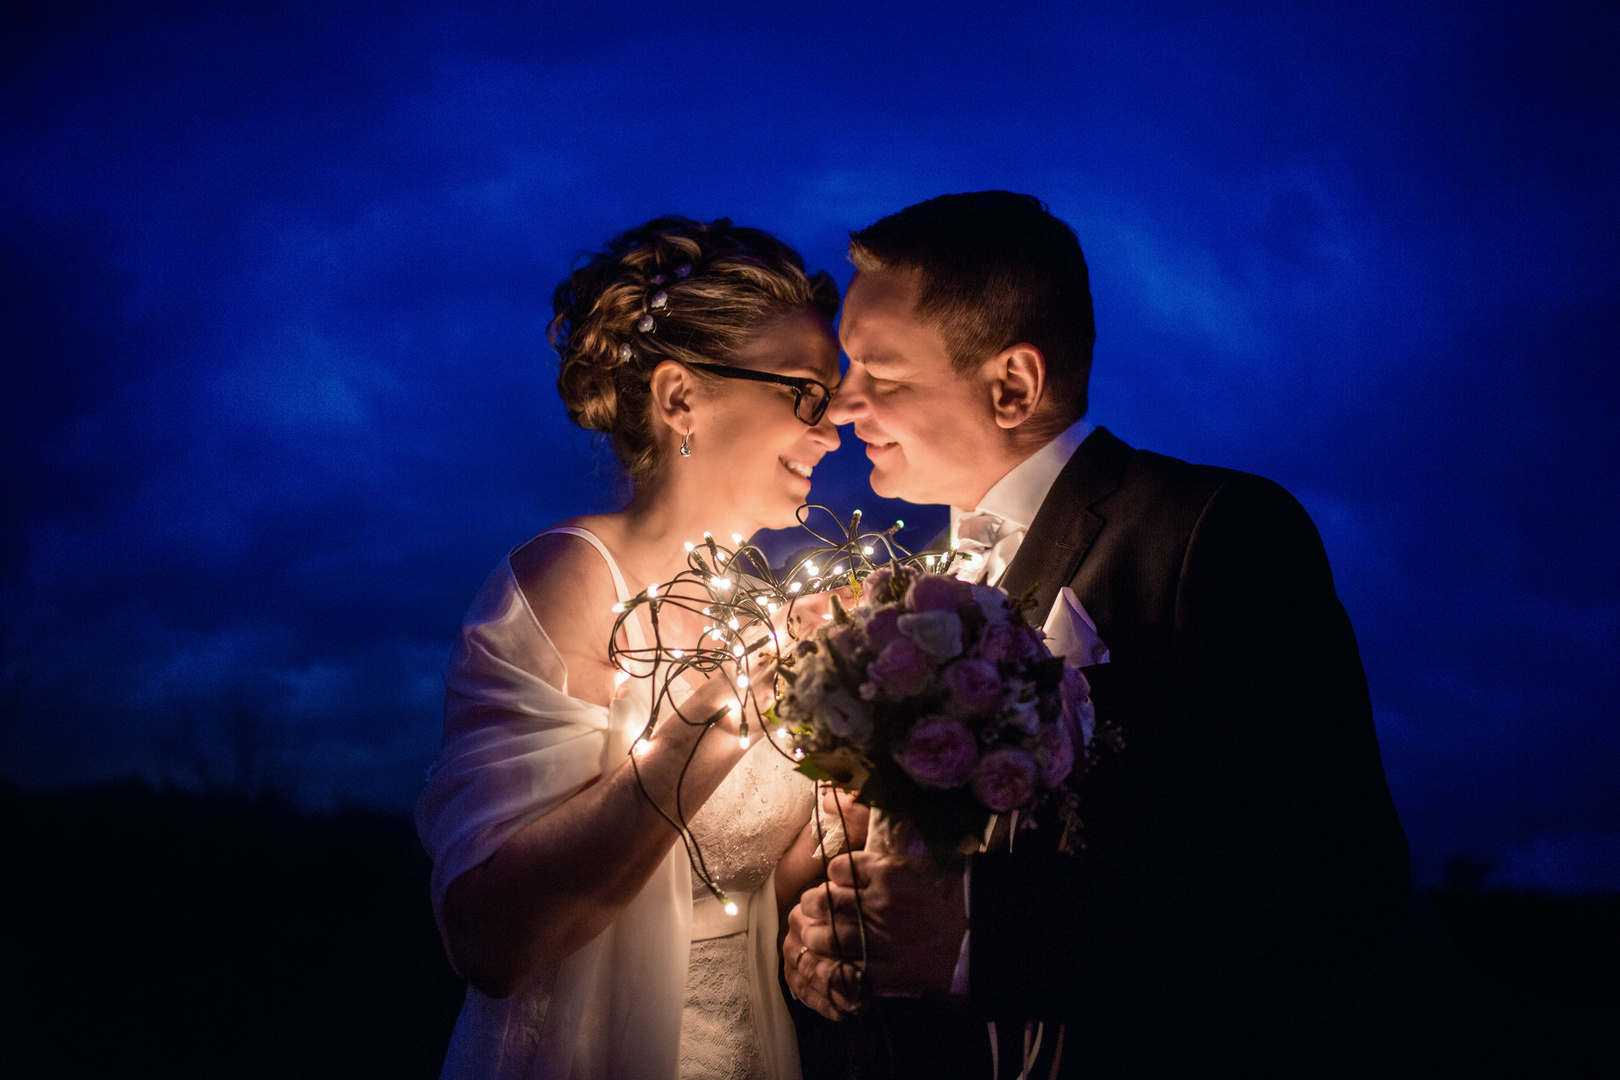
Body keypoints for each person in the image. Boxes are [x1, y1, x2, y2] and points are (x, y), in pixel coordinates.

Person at [784, 192, 1411, 1076]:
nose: (843, 406)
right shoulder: (909, 596)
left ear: (1013, 386)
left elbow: (1341, 883)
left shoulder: (1207, 533)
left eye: (881, 376)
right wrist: (848, 940)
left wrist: (980, 934)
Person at [416, 216, 867, 1080]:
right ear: (680, 398)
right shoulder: (571, 582)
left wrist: (858, 792)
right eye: (806, 392)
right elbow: (491, 940)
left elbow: (745, 888)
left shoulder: (776, 607)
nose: (832, 428)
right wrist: (715, 722)